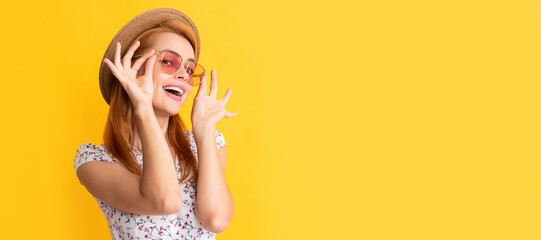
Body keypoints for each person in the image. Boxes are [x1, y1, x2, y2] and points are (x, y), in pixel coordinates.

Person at [73, 8, 237, 239]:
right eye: (169, 62)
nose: (183, 76)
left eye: (189, 70)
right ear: (133, 67)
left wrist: (205, 130)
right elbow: (164, 200)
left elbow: (216, 219)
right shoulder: (93, 159)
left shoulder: (207, 144)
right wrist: (142, 106)